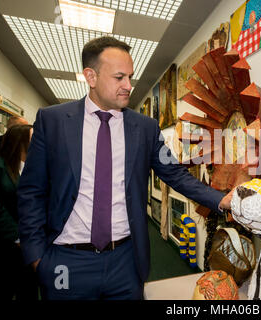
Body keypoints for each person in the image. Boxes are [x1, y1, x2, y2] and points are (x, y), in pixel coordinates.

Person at [17, 36, 233, 300]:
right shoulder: (53, 121)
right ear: (91, 76)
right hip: (65, 260)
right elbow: (31, 191)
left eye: (130, 77)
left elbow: (174, 174)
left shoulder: (145, 128)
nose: (128, 86)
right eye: (119, 77)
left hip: (125, 262)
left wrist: (222, 200)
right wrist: (36, 256)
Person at [0, 124, 38, 300]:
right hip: (4, 247)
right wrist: (18, 237)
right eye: (34, 137)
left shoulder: (38, 168)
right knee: (2, 291)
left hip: (32, 248)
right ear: (20, 141)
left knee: (29, 291)